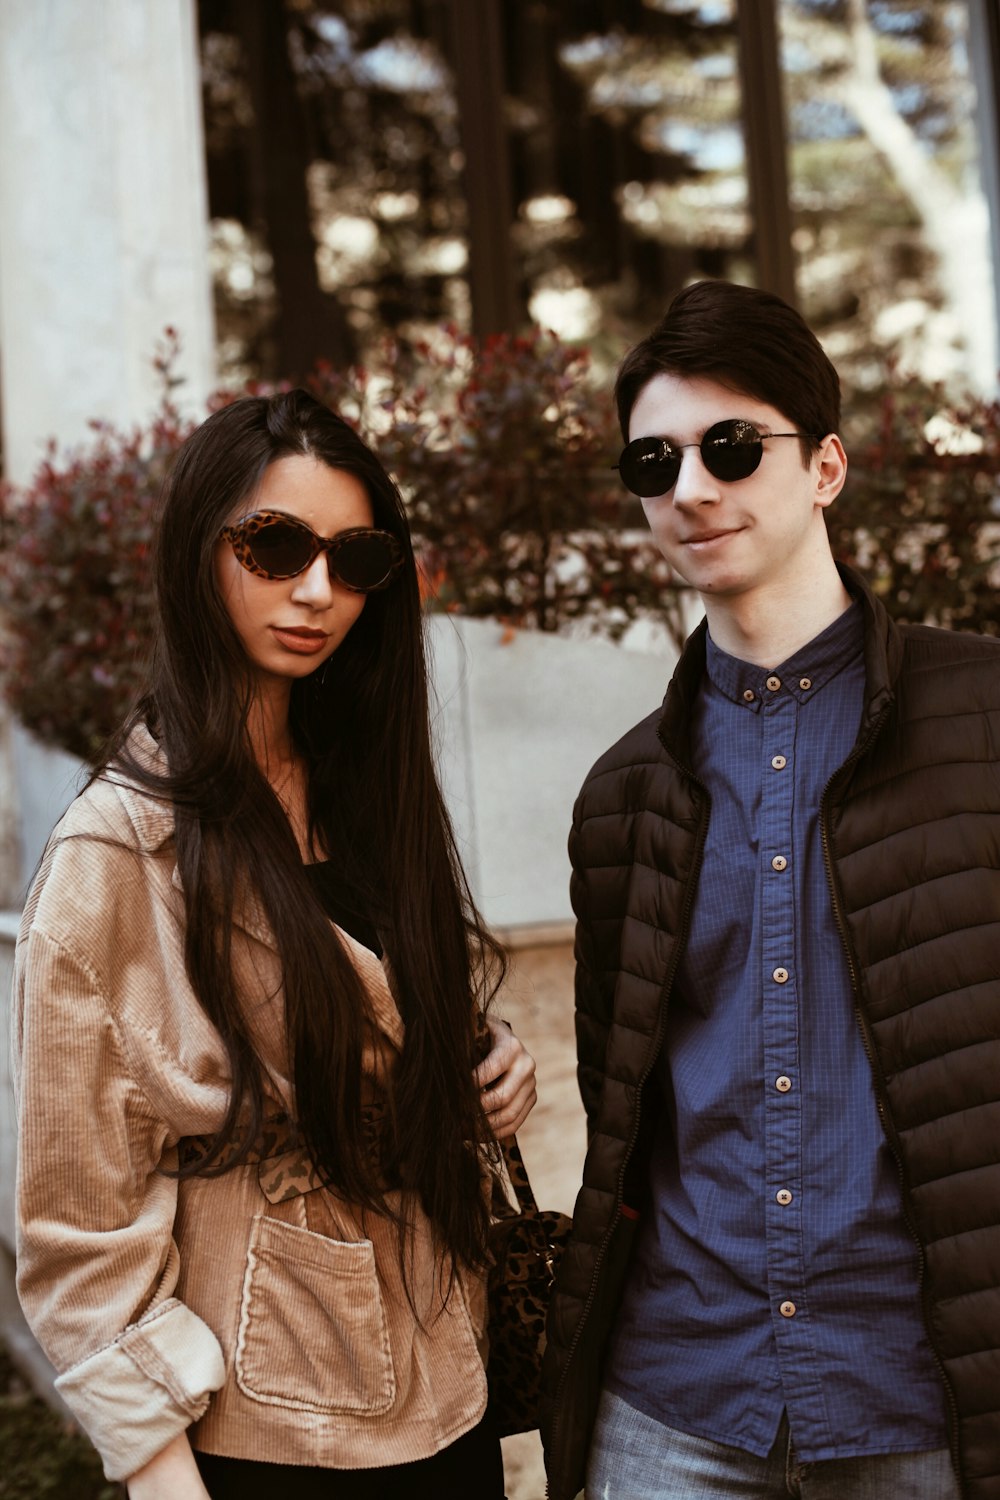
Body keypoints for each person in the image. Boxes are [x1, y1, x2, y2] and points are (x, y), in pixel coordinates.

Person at [12, 389, 537, 1500]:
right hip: (264, 1425)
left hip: (446, 1374)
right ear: (197, 553)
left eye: (354, 561)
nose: (317, 591)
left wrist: (478, 1067)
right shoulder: (119, 853)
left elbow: (376, 1009)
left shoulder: (359, 785)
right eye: (277, 545)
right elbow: (77, 1234)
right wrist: (164, 1483)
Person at [540, 280, 1000, 1500]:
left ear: (826, 467)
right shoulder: (619, 797)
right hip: (678, 1404)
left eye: (732, 447)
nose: (691, 487)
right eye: (656, 458)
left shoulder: (984, 721)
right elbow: (623, 1115)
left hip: (923, 1397)